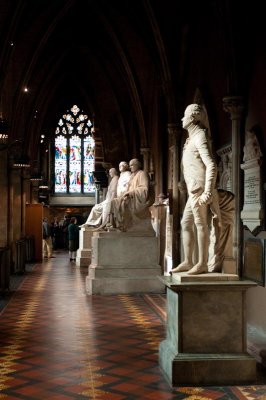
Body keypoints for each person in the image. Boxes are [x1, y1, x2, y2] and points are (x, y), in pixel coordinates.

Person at [171, 104, 220, 275]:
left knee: (200, 224)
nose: (182, 119)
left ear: (192, 118)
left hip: (199, 189)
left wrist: (207, 191)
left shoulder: (200, 136)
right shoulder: (190, 138)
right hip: (193, 189)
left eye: (184, 116)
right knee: (186, 223)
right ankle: (187, 261)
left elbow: (211, 164)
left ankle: (202, 263)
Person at [107, 158, 154, 232]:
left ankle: (123, 226)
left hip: (137, 199)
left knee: (122, 203)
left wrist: (130, 193)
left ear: (137, 165)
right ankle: (115, 225)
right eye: (130, 165)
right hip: (130, 197)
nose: (130, 167)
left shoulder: (142, 174)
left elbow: (144, 189)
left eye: (132, 165)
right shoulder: (132, 176)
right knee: (113, 202)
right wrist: (126, 194)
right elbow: (128, 189)